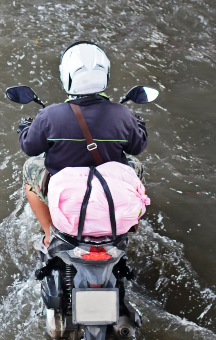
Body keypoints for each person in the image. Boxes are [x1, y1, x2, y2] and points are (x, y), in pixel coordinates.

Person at [16, 41, 148, 247]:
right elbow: (136, 148)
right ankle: (129, 224)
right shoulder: (123, 114)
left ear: (66, 76)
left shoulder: (49, 115)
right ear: (105, 75)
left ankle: (49, 233)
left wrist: (25, 128)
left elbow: (30, 148)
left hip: (64, 191)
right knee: (136, 166)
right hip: (108, 188)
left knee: (29, 169)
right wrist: (140, 125)